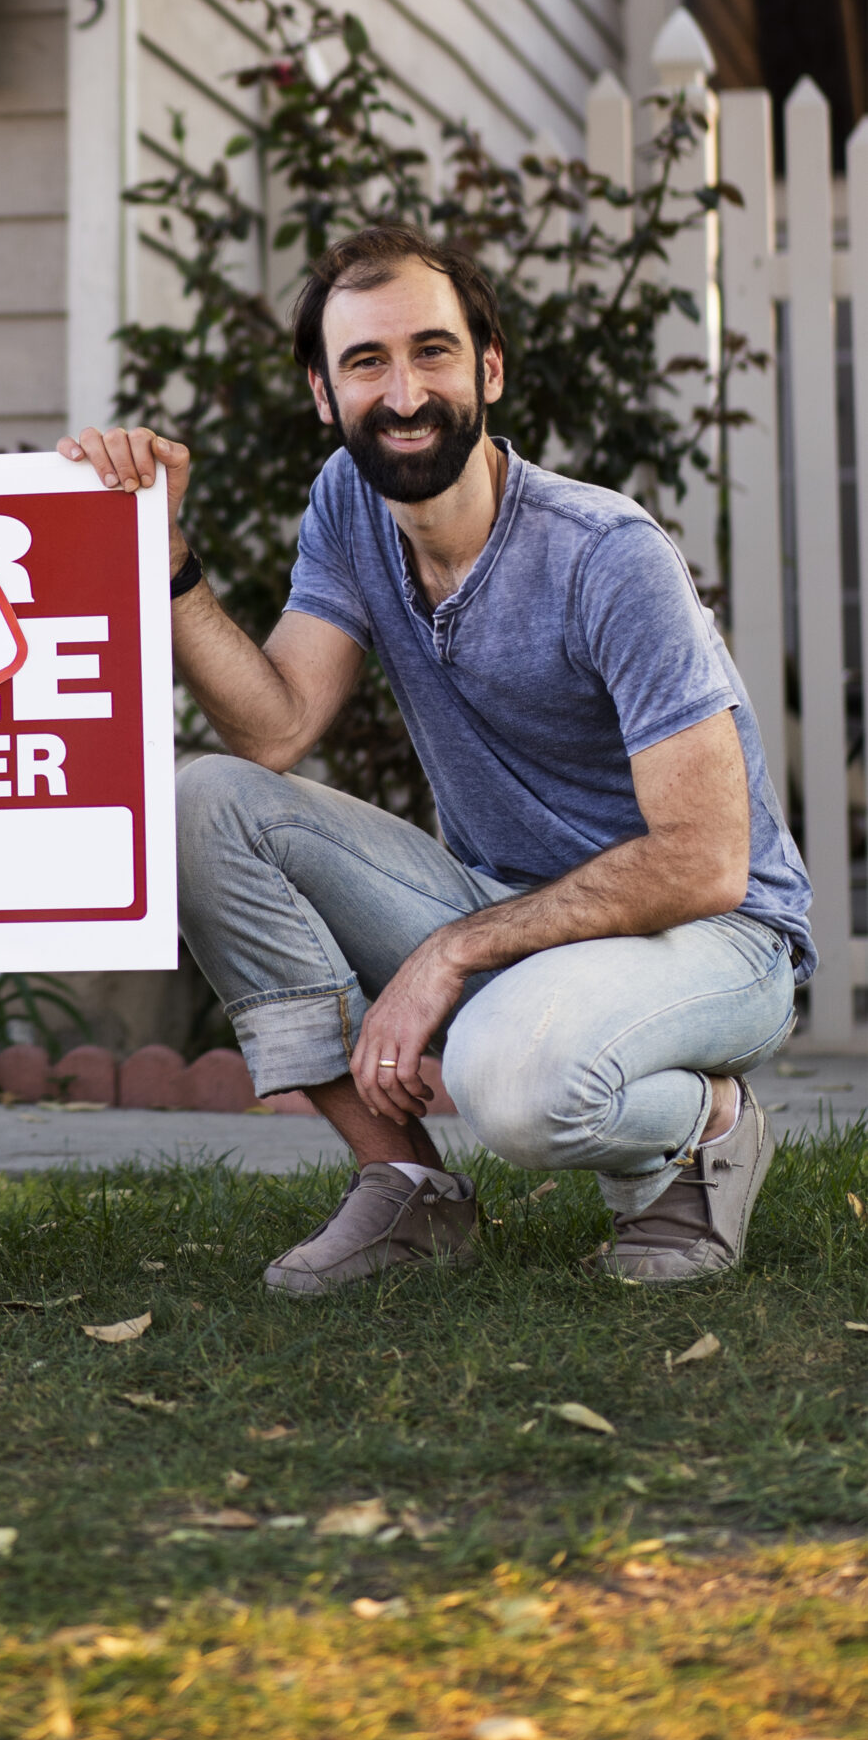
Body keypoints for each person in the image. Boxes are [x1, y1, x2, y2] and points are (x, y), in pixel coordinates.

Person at [60, 222, 811, 1293]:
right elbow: (273, 729)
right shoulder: (350, 505)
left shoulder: (607, 555)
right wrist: (164, 557)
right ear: (325, 395)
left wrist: (448, 955)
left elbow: (703, 861)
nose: (404, 392)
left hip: (716, 936)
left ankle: (712, 1122)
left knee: (511, 1083)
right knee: (206, 802)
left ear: (489, 368)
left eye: (433, 351)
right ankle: (407, 1184)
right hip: (510, 904)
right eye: (367, 362)